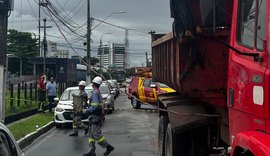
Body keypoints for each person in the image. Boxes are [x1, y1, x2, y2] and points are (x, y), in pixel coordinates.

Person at [83, 76, 114, 156]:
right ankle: (92, 151)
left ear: (93, 84)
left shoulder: (95, 93)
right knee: (91, 134)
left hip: (95, 116)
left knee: (96, 134)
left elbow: (95, 105)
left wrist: (87, 111)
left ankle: (108, 146)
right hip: (95, 115)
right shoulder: (97, 92)